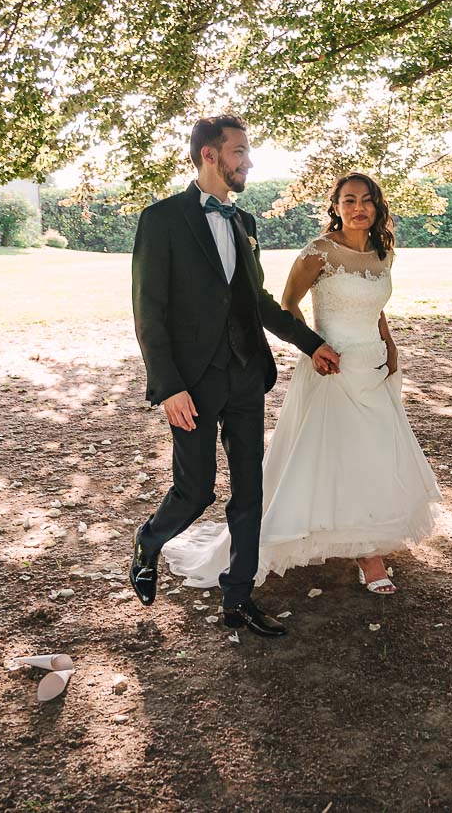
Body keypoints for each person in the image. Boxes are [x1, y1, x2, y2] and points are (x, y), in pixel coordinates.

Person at [162, 172, 442, 596]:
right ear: (335, 206)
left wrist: (390, 344)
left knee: (375, 452)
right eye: (349, 200)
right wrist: (314, 348)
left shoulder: (384, 252)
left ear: (378, 206)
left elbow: (376, 307)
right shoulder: (319, 253)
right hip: (333, 366)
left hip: (374, 365)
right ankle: (366, 553)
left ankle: (365, 536)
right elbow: (287, 305)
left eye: (367, 200)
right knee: (336, 453)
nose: (358, 208)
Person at [128, 115, 342, 638]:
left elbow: (256, 302)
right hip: (192, 386)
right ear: (209, 155)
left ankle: (238, 598)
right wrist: (168, 386)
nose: (247, 161)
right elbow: (148, 311)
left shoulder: (244, 223)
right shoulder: (161, 220)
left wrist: (312, 344)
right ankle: (150, 540)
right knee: (196, 490)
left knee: (250, 492)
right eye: (239, 152)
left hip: (246, 375)